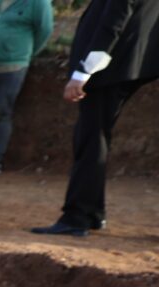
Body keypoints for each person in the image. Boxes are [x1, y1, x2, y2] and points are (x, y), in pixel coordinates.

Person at [30, 0, 156, 236]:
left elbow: (113, 21)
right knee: (94, 136)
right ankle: (92, 213)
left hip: (110, 67)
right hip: (129, 62)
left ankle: (78, 216)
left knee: (91, 138)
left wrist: (84, 72)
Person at [0, 0, 53, 174]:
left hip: (12, 66)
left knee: (0, 112)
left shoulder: (37, 3)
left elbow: (44, 30)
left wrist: (25, 53)